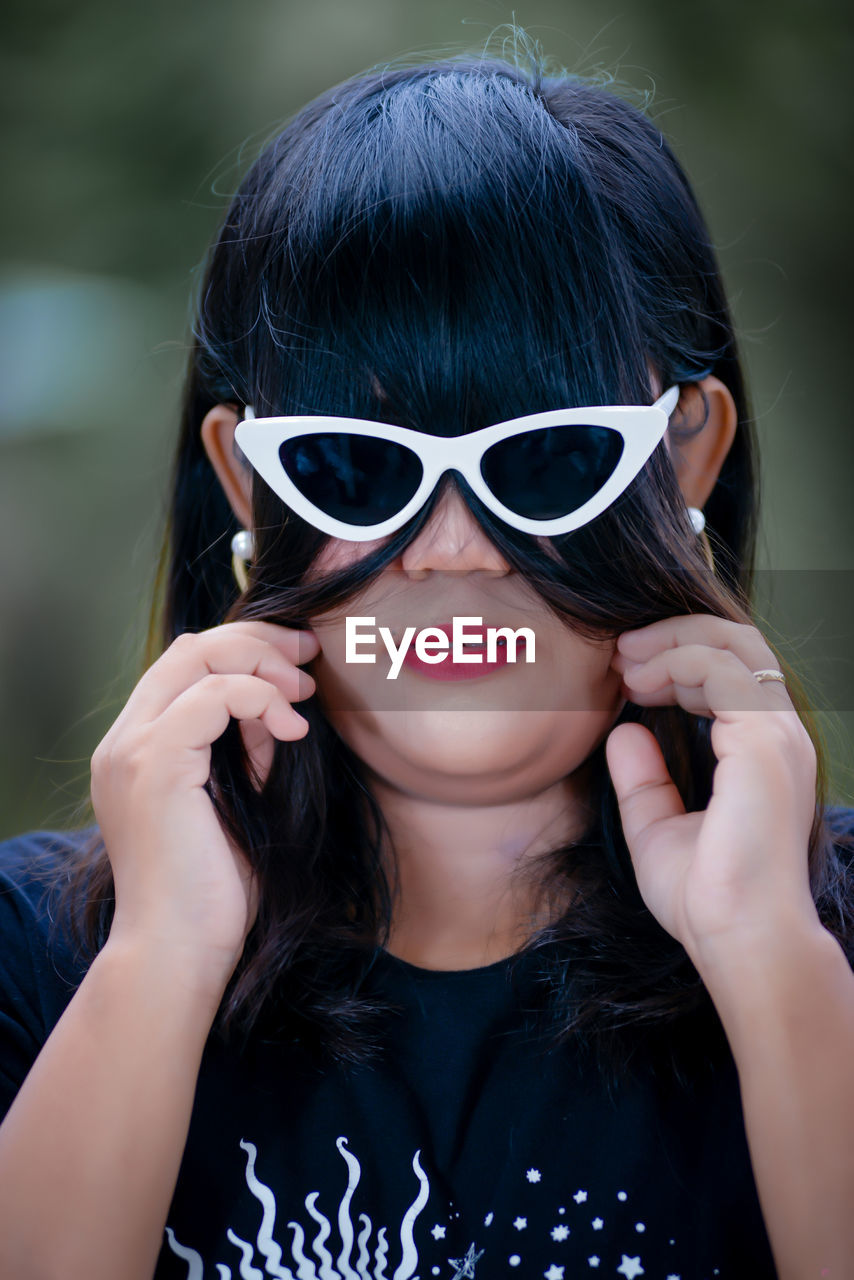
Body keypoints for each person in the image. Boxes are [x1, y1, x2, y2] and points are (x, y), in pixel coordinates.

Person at [1, 44, 853, 1280]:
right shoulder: (37, 959)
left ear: (683, 459)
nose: (451, 551)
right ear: (245, 478)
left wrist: (770, 960)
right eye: (360, 464)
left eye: (546, 458)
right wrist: (158, 959)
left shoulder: (821, 943)